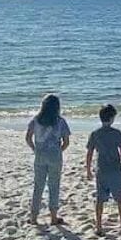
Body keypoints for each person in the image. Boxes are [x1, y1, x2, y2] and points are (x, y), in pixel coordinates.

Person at [83, 103, 121, 234]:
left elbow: (90, 153)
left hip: (101, 170)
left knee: (100, 199)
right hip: (115, 170)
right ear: (112, 118)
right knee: (120, 198)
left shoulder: (95, 134)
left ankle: (99, 225)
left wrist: (88, 170)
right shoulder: (116, 133)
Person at [24, 93, 71, 225]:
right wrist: (59, 150)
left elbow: (28, 138)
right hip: (55, 155)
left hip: (40, 155)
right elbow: (66, 142)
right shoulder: (60, 121)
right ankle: (53, 217)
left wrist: (34, 148)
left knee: (38, 185)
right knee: (54, 186)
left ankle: (34, 217)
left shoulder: (36, 120)